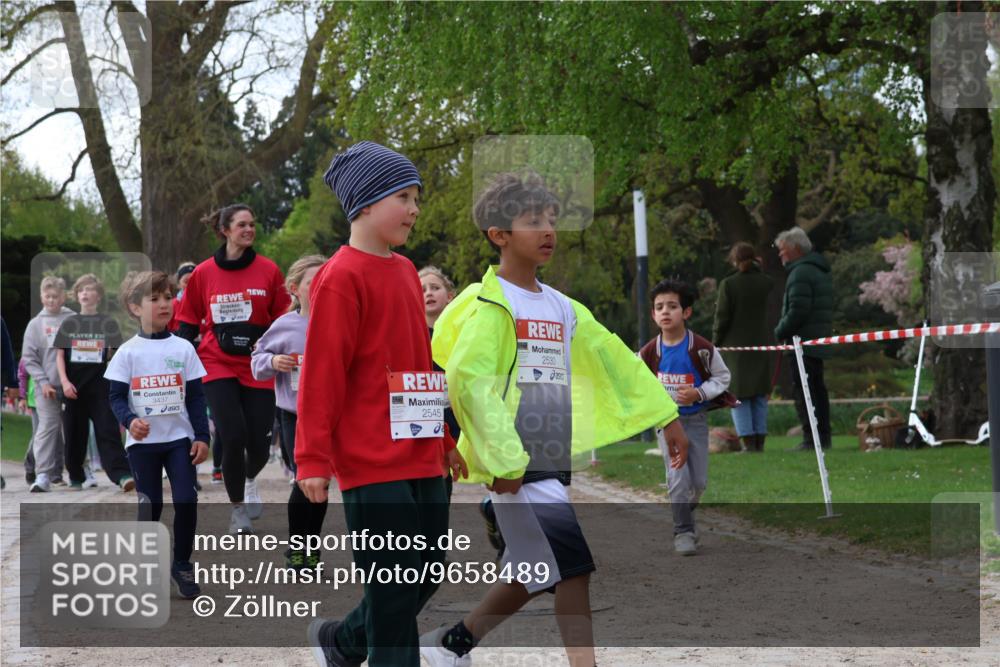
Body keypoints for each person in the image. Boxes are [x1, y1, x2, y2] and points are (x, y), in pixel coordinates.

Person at [423, 172, 688, 667]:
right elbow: (470, 381)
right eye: (532, 221)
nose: (547, 230)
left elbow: (615, 358)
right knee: (573, 568)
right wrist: (504, 458)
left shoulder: (562, 306)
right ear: (498, 235)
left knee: (533, 571)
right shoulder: (491, 304)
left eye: (551, 220)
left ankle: (448, 648)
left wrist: (665, 415)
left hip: (548, 455)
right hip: (518, 463)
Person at [298, 141, 467, 667]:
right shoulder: (339, 277)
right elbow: (321, 374)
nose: (415, 209)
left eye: (417, 197)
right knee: (393, 592)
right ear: (366, 204)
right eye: (404, 196)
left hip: (422, 451)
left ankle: (345, 642)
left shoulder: (404, 271)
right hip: (371, 461)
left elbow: (420, 363)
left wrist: (443, 437)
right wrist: (312, 459)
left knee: (429, 569)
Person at [176, 204, 291, 533]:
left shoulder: (269, 271)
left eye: (252, 224)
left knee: (258, 444)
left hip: (257, 364)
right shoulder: (203, 272)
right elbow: (186, 321)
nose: (249, 230)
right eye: (242, 225)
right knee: (232, 432)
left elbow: (282, 318)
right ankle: (238, 509)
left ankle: (250, 476)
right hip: (216, 360)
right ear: (225, 230)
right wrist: (182, 360)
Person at [105, 271, 210, 599]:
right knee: (151, 505)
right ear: (135, 308)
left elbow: (195, 397)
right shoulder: (127, 352)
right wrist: (130, 420)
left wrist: (202, 436)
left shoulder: (183, 348)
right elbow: (116, 397)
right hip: (143, 445)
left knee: (187, 499)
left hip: (179, 439)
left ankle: (181, 563)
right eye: (155, 299)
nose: (165, 304)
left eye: (168, 297)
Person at [639, 278, 736, 556]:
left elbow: (722, 377)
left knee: (698, 483)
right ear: (653, 315)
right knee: (678, 477)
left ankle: (685, 514)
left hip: (695, 421)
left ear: (687, 312)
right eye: (659, 307)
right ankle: (683, 531)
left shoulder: (701, 348)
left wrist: (699, 393)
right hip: (667, 423)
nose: (666, 312)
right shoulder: (648, 352)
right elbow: (638, 384)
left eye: (672, 306)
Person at [251, 254, 329, 570]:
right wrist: (273, 362)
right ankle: (298, 550)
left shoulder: (342, 320)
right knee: (303, 479)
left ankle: (312, 549)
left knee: (321, 483)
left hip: (329, 415)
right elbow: (258, 362)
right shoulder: (284, 325)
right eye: (314, 281)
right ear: (295, 289)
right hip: (294, 414)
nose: (322, 286)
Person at [54, 274, 134, 491]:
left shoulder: (107, 323)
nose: (85, 294)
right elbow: (60, 355)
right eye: (81, 290)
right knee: (73, 434)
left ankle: (122, 475)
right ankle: (76, 477)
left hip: (100, 386)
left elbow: (115, 355)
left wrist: (107, 352)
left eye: (89, 290)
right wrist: (64, 381)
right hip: (73, 388)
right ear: (77, 296)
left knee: (108, 430)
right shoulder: (69, 323)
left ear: (98, 295)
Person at [773, 227, 833, 451]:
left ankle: (811, 438)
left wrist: (780, 330)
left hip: (803, 342)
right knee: (817, 390)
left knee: (805, 391)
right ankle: (822, 436)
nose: (780, 255)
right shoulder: (818, 270)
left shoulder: (800, 273)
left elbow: (798, 310)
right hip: (816, 340)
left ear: (795, 249)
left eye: (783, 250)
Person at [713, 242, 775, 453]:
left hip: (736, 348)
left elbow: (722, 317)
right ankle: (760, 441)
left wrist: (716, 342)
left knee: (738, 395)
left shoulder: (729, 285)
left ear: (734, 260)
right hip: (761, 344)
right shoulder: (766, 282)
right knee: (759, 394)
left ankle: (748, 443)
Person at [21, 276, 74, 490]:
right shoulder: (35, 325)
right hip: (47, 386)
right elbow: (29, 358)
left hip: (72, 385)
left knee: (74, 429)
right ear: (41, 296)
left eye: (55, 296)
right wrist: (42, 382)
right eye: (47, 296)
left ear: (63, 297)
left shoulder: (74, 319)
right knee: (47, 428)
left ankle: (78, 471)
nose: (51, 300)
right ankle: (42, 474)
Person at [420, 265, 462, 498]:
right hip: (421, 411)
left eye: (435, 288)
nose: (428, 293)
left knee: (445, 471)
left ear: (450, 296)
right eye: (422, 289)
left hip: (452, 411)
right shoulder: (411, 333)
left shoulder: (463, 333)